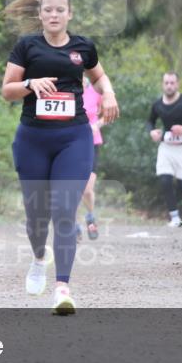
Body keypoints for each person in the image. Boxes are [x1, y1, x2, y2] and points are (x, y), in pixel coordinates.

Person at [1, 0, 119, 315]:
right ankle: (39, 257)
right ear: (40, 14)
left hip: (74, 137)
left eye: (60, 10)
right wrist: (29, 84)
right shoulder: (26, 46)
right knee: (36, 217)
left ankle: (62, 289)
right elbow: (6, 90)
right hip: (33, 139)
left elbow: (99, 78)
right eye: (48, 9)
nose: (54, 15)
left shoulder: (83, 47)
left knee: (65, 212)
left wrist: (108, 94)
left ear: (70, 14)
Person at [146, 72, 182, 227]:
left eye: (172, 83)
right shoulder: (157, 104)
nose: (169, 86)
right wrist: (152, 132)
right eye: (166, 83)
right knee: (165, 181)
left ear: (177, 84)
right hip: (166, 148)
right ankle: (174, 217)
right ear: (162, 84)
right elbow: (150, 121)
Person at [79, 74, 104, 240]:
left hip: (92, 144)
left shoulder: (95, 92)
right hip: (71, 143)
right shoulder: (67, 93)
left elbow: (105, 113)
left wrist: (97, 124)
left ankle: (90, 216)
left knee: (87, 190)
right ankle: (73, 228)